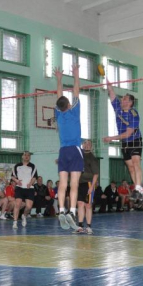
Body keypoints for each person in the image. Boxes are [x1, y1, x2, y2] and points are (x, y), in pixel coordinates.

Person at [102, 75, 143, 200]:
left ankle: (138, 189)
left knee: (136, 163)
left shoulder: (133, 114)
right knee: (130, 167)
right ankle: (137, 190)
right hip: (124, 143)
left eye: (124, 98)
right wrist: (107, 82)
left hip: (135, 140)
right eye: (122, 98)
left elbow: (128, 133)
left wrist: (111, 138)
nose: (122, 99)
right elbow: (111, 93)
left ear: (130, 103)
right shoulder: (118, 108)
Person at [54, 64, 83, 230]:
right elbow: (76, 90)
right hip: (75, 150)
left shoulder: (58, 114)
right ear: (69, 105)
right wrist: (76, 75)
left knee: (62, 183)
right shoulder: (74, 111)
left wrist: (59, 79)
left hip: (63, 151)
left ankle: (61, 211)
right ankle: (71, 211)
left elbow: (59, 96)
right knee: (74, 183)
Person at [76, 140, 99, 234]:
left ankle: (89, 227)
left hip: (88, 184)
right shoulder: (79, 155)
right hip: (79, 183)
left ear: (91, 147)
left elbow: (96, 174)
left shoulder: (92, 158)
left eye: (89, 144)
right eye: (85, 143)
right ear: (82, 145)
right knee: (80, 204)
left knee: (88, 205)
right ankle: (80, 226)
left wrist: (92, 187)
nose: (87, 145)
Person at [11, 151, 38, 229]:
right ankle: (15, 222)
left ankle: (24, 215)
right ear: (22, 156)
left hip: (29, 189)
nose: (26, 156)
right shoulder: (17, 166)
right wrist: (17, 181)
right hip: (19, 188)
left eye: (28, 155)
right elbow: (12, 176)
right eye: (25, 155)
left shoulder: (33, 166)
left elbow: (34, 177)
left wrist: (30, 183)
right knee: (17, 204)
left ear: (30, 157)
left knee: (29, 206)